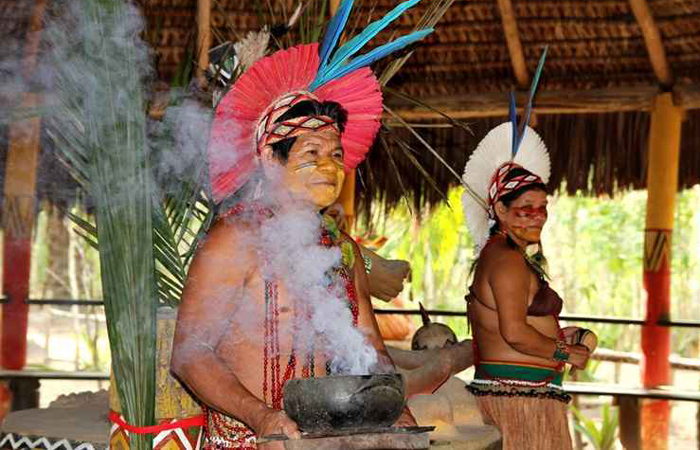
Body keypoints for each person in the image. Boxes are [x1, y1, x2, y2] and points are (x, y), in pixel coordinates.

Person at [170, 4, 434, 449]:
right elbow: (190, 354)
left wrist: (393, 405)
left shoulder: (341, 249)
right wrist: (261, 417)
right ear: (270, 159)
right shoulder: (234, 240)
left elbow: (369, 344)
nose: (329, 167)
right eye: (310, 153)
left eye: (335, 155)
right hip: (250, 441)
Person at [461, 116, 597, 449]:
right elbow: (515, 333)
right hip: (518, 404)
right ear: (500, 211)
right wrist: (568, 352)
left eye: (541, 207)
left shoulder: (505, 256)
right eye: (525, 208)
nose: (537, 216)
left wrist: (559, 336)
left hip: (524, 399)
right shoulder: (506, 260)